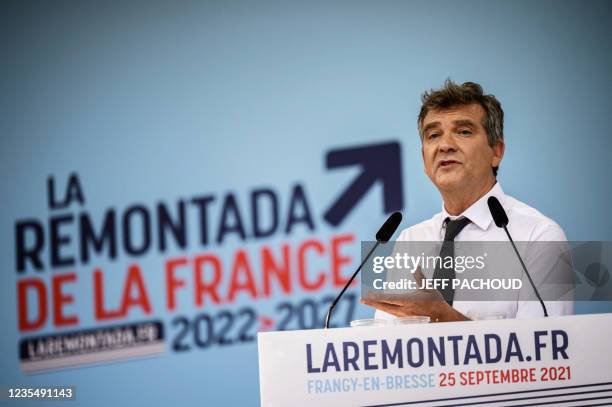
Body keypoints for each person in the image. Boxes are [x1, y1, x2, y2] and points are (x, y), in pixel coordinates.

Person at [362, 80, 573, 322]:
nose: (445, 145)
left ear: (496, 151)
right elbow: (388, 347)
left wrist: (444, 319)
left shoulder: (538, 236)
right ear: (424, 158)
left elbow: (542, 349)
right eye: (433, 135)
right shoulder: (410, 241)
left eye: (463, 132)